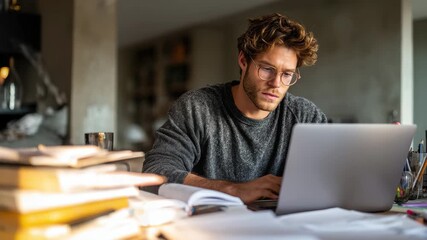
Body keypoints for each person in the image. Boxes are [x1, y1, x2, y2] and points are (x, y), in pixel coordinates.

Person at [143, 13, 327, 204]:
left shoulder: (304, 116)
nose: (276, 83)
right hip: (210, 226)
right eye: (266, 69)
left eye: (287, 74)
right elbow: (155, 172)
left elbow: (335, 174)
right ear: (243, 61)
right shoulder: (197, 108)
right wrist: (232, 190)